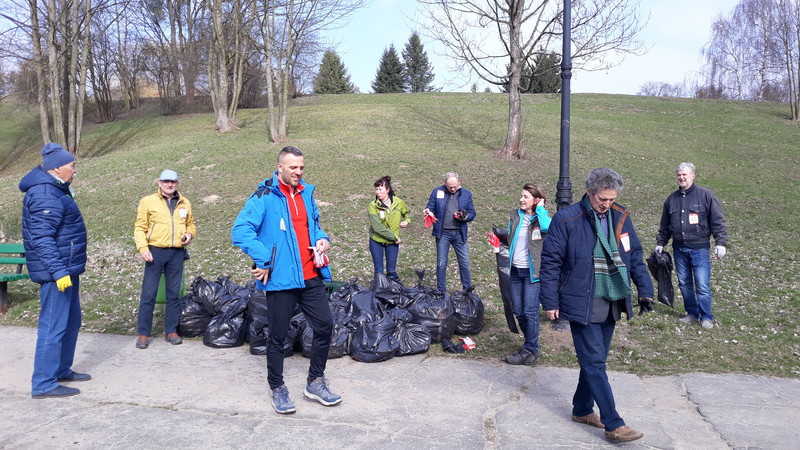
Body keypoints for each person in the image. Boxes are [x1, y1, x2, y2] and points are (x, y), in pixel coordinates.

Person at [540, 168, 654, 443]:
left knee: (595, 361)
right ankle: (614, 423)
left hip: (612, 298)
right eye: (603, 199)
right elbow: (550, 262)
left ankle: (581, 409)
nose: (607, 204)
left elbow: (634, 256)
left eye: (611, 199)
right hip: (581, 300)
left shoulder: (620, 216)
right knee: (593, 361)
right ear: (590, 193)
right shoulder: (567, 219)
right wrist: (550, 300)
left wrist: (645, 290)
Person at [232, 146, 341, 414]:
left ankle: (315, 381)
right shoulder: (264, 196)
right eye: (293, 167)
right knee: (278, 337)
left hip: (310, 276)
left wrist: (321, 238)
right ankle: (277, 387)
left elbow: (312, 225)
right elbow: (240, 230)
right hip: (281, 280)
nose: (299, 172)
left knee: (325, 326)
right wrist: (263, 259)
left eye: (302, 167)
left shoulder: (306, 194)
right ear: (280, 166)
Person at [20, 143, 89, 398]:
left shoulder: (57, 189)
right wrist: (59, 272)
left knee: (71, 321)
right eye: (72, 166)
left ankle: (61, 369)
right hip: (56, 273)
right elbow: (42, 239)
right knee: (53, 326)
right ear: (57, 168)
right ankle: (44, 383)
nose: (75, 170)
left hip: (67, 269)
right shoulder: (45, 194)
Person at [656, 162, 727, 329]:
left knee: (702, 284)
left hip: (699, 248)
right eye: (679, 175)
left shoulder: (705, 195)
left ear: (693, 176)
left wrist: (721, 242)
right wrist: (661, 243)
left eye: (684, 174)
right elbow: (665, 225)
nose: (681, 177)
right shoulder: (671, 199)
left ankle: (706, 316)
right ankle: (692, 313)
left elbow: (717, 221)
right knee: (684, 283)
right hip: (679, 248)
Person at [133, 169, 196, 349]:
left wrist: (190, 234)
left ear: (177, 183)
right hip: (155, 252)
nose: (170, 185)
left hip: (177, 253)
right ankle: (143, 333)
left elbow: (191, 224)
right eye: (166, 181)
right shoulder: (148, 202)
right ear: (159, 182)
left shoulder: (185, 203)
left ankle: (171, 331)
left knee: (174, 294)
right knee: (149, 294)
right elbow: (140, 227)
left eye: (173, 182)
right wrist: (143, 248)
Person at [504, 183, 552, 365]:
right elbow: (511, 237)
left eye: (526, 197)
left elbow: (549, 228)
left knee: (530, 312)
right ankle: (530, 345)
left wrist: (540, 210)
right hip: (516, 270)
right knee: (518, 311)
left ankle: (530, 348)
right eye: (521, 196)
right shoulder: (515, 215)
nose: (521, 199)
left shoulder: (542, 219)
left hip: (533, 273)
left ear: (536, 200)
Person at [423, 172, 476, 292]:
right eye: (450, 186)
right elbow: (430, 207)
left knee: (464, 262)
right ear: (444, 183)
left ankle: (467, 291)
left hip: (459, 233)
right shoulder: (437, 192)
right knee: (441, 263)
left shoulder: (466, 194)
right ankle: (441, 292)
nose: (453, 189)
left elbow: (472, 213)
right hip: (443, 234)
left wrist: (464, 216)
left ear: (459, 182)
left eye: (455, 186)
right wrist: (428, 211)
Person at [368, 176, 410, 283]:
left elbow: (408, 213)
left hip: (392, 242)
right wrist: (394, 237)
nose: (378, 192)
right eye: (376, 189)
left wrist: (407, 221)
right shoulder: (373, 206)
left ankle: (392, 295)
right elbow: (377, 228)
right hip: (377, 241)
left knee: (391, 271)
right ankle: (379, 295)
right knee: (379, 272)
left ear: (387, 190)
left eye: (380, 189)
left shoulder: (399, 202)